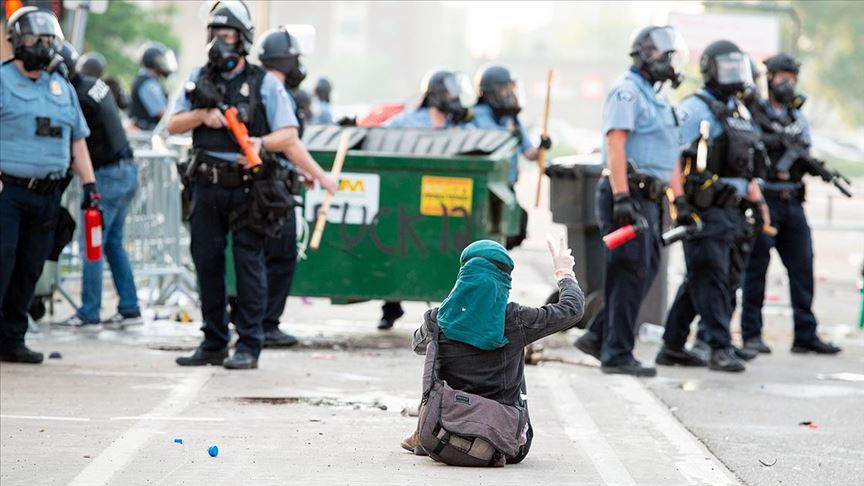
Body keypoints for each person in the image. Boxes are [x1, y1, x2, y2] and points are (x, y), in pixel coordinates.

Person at [168, 0, 299, 369]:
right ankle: (213, 341)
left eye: (226, 34)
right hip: (206, 185)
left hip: (247, 187)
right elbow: (172, 124)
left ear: (242, 39)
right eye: (214, 33)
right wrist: (202, 116)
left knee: (249, 265)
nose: (218, 42)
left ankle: (249, 345)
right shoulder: (198, 78)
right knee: (207, 262)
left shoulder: (263, 83)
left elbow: (288, 133)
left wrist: (260, 143)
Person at [400, 238, 584, 461]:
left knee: (434, 369)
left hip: (442, 433)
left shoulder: (438, 319)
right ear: (504, 280)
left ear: (464, 275)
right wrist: (564, 272)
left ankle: (422, 432)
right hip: (504, 442)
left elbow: (418, 346)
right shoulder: (515, 320)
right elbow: (572, 309)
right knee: (517, 348)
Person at [573, 26, 687, 377]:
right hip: (626, 195)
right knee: (630, 270)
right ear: (645, 55)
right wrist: (622, 196)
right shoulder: (627, 92)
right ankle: (617, 353)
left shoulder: (658, 99)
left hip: (650, 199)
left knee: (644, 270)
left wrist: (678, 203)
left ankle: (598, 336)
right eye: (663, 56)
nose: (669, 63)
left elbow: (670, 157)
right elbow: (616, 145)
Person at [659, 40, 769, 373]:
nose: (736, 74)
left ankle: (672, 345)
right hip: (705, 207)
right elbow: (673, 156)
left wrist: (759, 203)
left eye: (740, 66)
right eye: (728, 67)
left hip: (735, 210)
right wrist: (678, 201)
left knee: (703, 279)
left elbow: (745, 168)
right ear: (710, 69)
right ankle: (720, 346)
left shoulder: (740, 111)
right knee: (711, 277)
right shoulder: (695, 108)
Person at [0, 7, 100, 363]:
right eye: (34, 39)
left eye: (47, 40)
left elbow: (77, 140)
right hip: (7, 192)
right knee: (3, 262)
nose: (42, 46)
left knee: (30, 267)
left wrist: (90, 186)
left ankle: (12, 339)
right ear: (17, 42)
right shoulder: (2, 80)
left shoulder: (61, 86)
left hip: (47, 195)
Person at [740, 53, 842, 355]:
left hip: (792, 200)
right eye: (783, 77)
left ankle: (805, 334)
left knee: (802, 268)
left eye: (793, 78)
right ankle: (751, 335)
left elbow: (804, 151)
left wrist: (812, 166)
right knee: (756, 270)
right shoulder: (753, 112)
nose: (788, 84)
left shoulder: (796, 117)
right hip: (765, 199)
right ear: (769, 78)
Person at [256, 26, 338, 347]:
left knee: (262, 256)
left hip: (269, 181)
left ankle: (259, 323)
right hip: (272, 190)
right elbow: (289, 142)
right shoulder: (274, 90)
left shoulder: (256, 85)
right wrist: (321, 174)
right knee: (280, 256)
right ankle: (266, 324)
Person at [51, 42, 141, 330]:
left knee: (92, 244)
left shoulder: (75, 96)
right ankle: (129, 307)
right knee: (113, 243)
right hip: (126, 171)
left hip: (108, 176)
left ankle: (90, 311)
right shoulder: (93, 84)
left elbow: (75, 140)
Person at [377, 68, 475, 331]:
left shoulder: (460, 125)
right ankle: (391, 306)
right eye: (450, 91)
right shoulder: (408, 121)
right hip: (407, 201)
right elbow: (379, 136)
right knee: (400, 247)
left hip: (444, 202)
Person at [469, 64, 551, 249]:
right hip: (484, 190)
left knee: (515, 230)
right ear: (492, 92)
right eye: (506, 89)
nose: (510, 94)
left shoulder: (512, 119)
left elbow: (529, 154)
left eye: (511, 89)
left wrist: (541, 148)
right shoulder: (472, 117)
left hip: (506, 188)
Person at [129, 41, 176, 130]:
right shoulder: (148, 84)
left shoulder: (148, 80)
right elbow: (163, 114)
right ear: (154, 62)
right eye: (163, 61)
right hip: (145, 137)